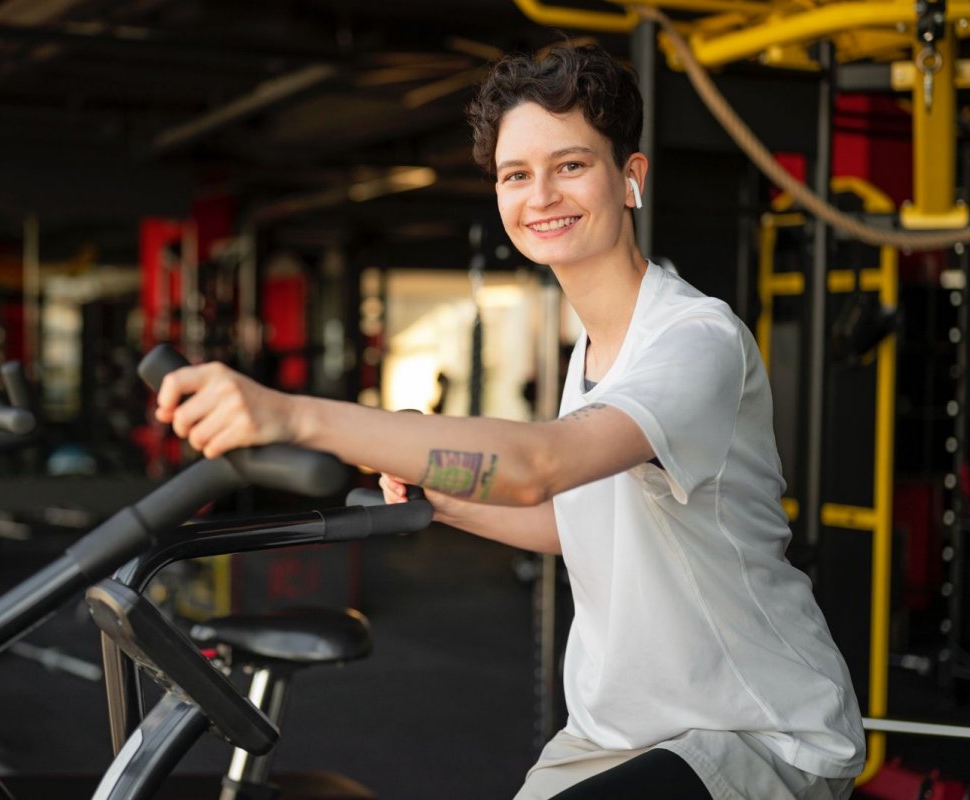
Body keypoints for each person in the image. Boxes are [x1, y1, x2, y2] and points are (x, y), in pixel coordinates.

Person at [155, 41, 865, 800]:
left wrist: (289, 414)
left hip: (752, 731)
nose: (542, 196)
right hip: (617, 730)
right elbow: (575, 520)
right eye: (515, 175)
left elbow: (540, 466)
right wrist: (445, 498)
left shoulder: (695, 341)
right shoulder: (591, 347)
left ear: (630, 179)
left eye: (571, 166)